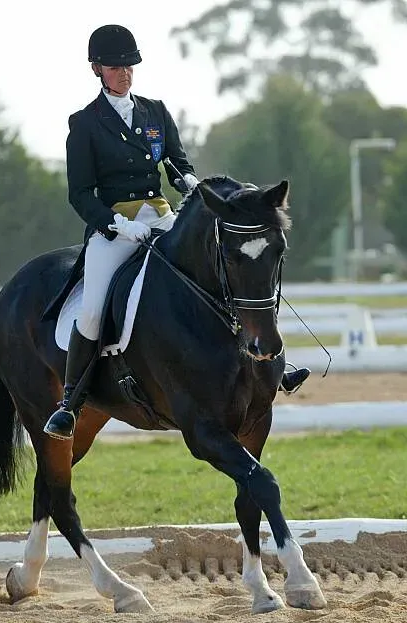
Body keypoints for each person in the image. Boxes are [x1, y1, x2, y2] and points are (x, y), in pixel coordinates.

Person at [44, 24, 309, 441]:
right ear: (97, 69)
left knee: (225, 270)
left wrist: (191, 184)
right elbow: (80, 193)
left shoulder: (156, 112)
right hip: (115, 227)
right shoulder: (84, 124)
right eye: (116, 67)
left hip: (163, 217)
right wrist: (117, 224)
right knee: (93, 307)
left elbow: (177, 163)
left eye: (130, 65)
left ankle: (272, 365)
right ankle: (70, 403)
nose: (125, 73)